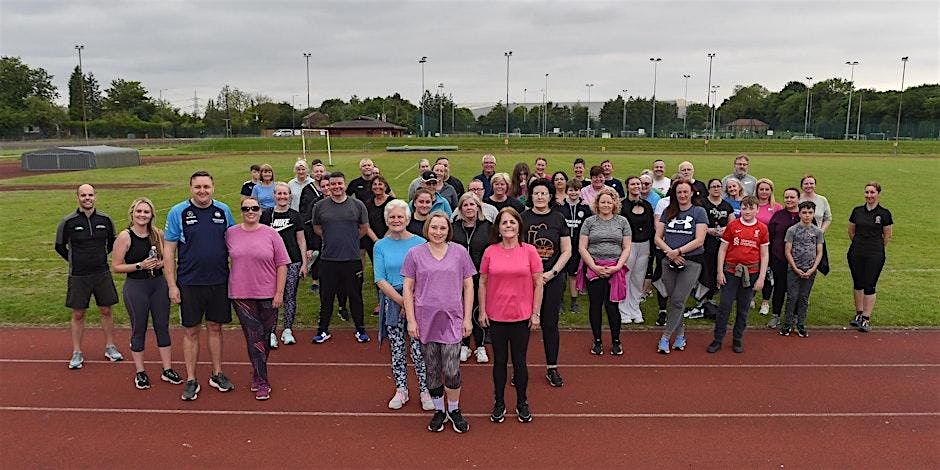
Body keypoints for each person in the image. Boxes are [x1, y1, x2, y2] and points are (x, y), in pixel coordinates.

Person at [164, 171, 236, 401]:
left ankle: (217, 373)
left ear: (213, 188)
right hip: (190, 282)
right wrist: (172, 285)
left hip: (219, 281)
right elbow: (169, 251)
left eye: (206, 187)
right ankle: (191, 379)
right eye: (198, 187)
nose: (202, 191)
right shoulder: (178, 212)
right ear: (191, 188)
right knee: (191, 330)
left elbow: (235, 244)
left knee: (215, 327)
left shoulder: (223, 211)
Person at [402, 212, 476, 433]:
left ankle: (454, 409)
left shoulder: (459, 252)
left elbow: (469, 285)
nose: (438, 232)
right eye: (434, 227)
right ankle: (439, 410)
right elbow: (408, 287)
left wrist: (467, 318)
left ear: (448, 230)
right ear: (427, 228)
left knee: (451, 369)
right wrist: (411, 320)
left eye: (442, 228)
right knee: (432, 369)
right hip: (426, 320)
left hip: (452, 319)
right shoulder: (415, 254)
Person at [479, 208, 543, 424]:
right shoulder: (490, 251)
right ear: (498, 228)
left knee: (519, 362)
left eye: (512, 222)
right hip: (497, 316)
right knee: (499, 362)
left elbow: (538, 283)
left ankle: (522, 402)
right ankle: (499, 402)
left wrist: (535, 313)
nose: (508, 226)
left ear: (519, 226)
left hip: (521, 316)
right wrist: (483, 310)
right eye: (504, 222)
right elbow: (483, 282)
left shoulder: (530, 251)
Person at [111, 197, 181, 389]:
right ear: (132, 213)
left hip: (158, 285)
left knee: (162, 326)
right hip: (136, 287)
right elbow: (116, 266)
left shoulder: (158, 234)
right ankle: (140, 372)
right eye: (139, 211)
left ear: (152, 215)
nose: (142, 215)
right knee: (139, 328)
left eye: (146, 212)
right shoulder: (125, 236)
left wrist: (160, 263)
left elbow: (169, 258)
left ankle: (167, 369)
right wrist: (139, 265)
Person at [372, 200, 434, 411]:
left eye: (400, 216)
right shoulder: (380, 245)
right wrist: (402, 303)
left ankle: (425, 389)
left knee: (419, 349)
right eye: (392, 217)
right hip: (392, 301)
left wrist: (410, 303)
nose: (396, 220)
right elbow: (380, 279)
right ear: (386, 220)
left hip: (418, 300)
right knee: (397, 348)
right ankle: (401, 389)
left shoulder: (421, 243)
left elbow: (425, 276)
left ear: (407, 219)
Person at [226, 197, 289, 400]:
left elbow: (282, 264)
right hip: (241, 293)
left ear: (260, 211)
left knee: (265, 337)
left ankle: (257, 371)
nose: (250, 211)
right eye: (246, 208)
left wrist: (279, 292)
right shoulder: (231, 233)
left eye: (254, 208)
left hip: (268, 293)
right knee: (254, 336)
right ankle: (262, 380)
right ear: (241, 211)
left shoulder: (271, 234)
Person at [55, 184, 123, 370]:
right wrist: (74, 260)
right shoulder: (68, 221)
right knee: (78, 313)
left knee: (106, 310)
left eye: (90, 195)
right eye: (83, 195)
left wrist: (100, 256)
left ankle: (110, 347)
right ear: (77, 197)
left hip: (102, 273)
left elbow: (113, 242)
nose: (87, 198)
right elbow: (60, 246)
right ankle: (77, 352)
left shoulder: (105, 219)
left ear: (95, 197)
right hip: (78, 275)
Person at [311, 171, 371, 343]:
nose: (336, 187)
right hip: (328, 259)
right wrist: (332, 237)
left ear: (344, 184)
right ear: (328, 186)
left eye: (339, 183)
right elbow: (317, 228)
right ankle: (323, 330)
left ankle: (360, 329)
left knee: (355, 296)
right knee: (326, 297)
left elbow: (364, 228)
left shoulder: (357, 205)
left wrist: (349, 239)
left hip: (352, 258)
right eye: (333, 184)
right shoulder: (320, 206)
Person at [522, 179, 571, 386]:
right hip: (526, 280)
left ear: (550, 196)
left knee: (550, 324)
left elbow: (566, 250)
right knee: (522, 326)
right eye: (536, 193)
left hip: (552, 278)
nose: (540, 197)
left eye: (543, 193)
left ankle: (552, 367)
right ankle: (519, 368)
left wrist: (552, 273)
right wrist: (530, 275)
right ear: (531, 196)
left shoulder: (559, 218)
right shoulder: (522, 218)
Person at [706, 196, 768, 354]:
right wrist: (720, 271)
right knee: (725, 306)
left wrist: (761, 277)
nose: (747, 211)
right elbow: (723, 250)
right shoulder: (733, 225)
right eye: (744, 208)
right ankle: (718, 339)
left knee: (743, 308)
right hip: (731, 272)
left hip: (750, 273)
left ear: (757, 209)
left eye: (751, 208)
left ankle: (737, 339)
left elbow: (764, 254)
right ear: (740, 209)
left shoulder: (762, 228)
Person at [654, 179, 707, 354]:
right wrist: (671, 253)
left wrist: (678, 252)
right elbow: (657, 237)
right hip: (669, 260)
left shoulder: (699, 212)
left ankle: (665, 337)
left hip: (691, 261)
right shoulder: (668, 211)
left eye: (685, 192)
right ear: (674, 194)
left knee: (678, 300)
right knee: (675, 300)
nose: (682, 195)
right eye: (679, 192)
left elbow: (699, 240)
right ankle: (681, 335)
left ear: (691, 193)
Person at [578, 187, 631, 355]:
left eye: (609, 202)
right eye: (603, 202)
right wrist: (594, 267)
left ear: (614, 203)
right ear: (597, 204)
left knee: (612, 306)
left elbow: (627, 247)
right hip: (594, 268)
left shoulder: (622, 222)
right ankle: (597, 341)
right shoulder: (589, 222)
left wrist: (618, 266)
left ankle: (616, 341)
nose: (606, 205)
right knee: (595, 305)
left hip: (615, 269)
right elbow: (582, 247)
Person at [260, 183, 308, 348]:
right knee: (272, 297)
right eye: (279, 194)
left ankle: (287, 329)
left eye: (285, 194)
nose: (282, 197)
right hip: (271, 263)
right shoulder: (266, 215)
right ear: (274, 196)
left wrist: (304, 263)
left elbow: (301, 240)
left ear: (290, 196)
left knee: (290, 296)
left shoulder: (295, 216)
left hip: (292, 261)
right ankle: (271, 331)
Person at [452, 193, 493, 364]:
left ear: (478, 207)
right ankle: (464, 344)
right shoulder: (453, 227)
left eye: (472, 204)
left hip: (480, 275)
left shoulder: (488, 226)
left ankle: (480, 345)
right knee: (461, 309)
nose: (469, 208)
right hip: (457, 277)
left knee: (478, 309)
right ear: (460, 208)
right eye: (465, 205)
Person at [686, 178, 736, 319]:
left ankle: (711, 297)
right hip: (705, 243)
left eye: (718, 186)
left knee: (717, 269)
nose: (716, 188)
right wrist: (709, 230)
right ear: (708, 189)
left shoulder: (727, 205)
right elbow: (695, 222)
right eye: (713, 186)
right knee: (705, 269)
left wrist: (724, 230)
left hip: (722, 244)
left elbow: (732, 224)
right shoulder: (702, 204)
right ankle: (701, 296)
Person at [847, 182, 893, 333]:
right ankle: (859, 313)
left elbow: (887, 236)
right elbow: (851, 231)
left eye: (872, 192)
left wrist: (875, 247)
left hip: (875, 254)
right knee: (858, 283)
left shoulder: (884, 213)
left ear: (878, 194)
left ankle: (866, 318)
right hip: (856, 252)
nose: (869, 195)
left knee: (870, 285)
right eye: (867, 192)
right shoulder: (857, 211)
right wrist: (859, 244)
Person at [781, 201, 825, 337]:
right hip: (794, 269)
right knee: (792, 297)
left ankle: (801, 324)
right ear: (799, 214)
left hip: (810, 270)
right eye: (804, 212)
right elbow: (787, 251)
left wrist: (813, 268)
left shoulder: (817, 232)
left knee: (804, 298)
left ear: (813, 214)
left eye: (810, 213)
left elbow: (819, 252)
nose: (807, 215)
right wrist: (794, 267)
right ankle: (787, 324)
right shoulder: (792, 230)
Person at [619, 176, 654, 324]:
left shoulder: (647, 205)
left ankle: (635, 308)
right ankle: (624, 310)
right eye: (633, 184)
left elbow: (651, 227)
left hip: (644, 245)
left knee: (638, 278)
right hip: (629, 246)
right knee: (626, 277)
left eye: (638, 184)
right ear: (627, 187)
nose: (636, 186)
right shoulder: (622, 206)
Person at [766, 188, 802, 329]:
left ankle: (795, 316)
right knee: (779, 287)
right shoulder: (778, 216)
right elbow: (770, 236)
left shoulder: (804, 215)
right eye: (786, 197)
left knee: (796, 289)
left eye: (792, 197)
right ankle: (776, 315)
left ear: (798, 199)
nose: (789, 200)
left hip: (799, 260)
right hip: (779, 257)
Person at [559, 179, 592, 313]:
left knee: (573, 274)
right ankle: (560, 301)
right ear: (566, 191)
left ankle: (574, 301)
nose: (573, 193)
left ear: (580, 191)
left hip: (578, 246)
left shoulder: (585, 208)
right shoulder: (560, 207)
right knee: (561, 275)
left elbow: (589, 227)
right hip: (562, 247)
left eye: (576, 190)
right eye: (571, 190)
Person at [754, 178, 782, 316]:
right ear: (757, 191)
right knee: (752, 271)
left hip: (769, 246)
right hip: (752, 245)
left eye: (767, 189)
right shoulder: (752, 205)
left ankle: (765, 301)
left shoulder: (777, 207)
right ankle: (751, 296)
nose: (764, 192)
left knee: (767, 273)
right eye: (761, 189)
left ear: (771, 191)